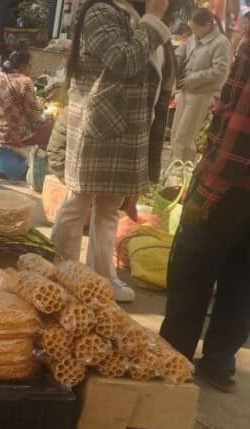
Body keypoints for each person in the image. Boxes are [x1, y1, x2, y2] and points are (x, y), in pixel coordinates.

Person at [50, 0, 173, 304]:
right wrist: (153, 19)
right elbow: (124, 60)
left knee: (108, 210)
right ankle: (60, 272)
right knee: (77, 202)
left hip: (127, 127)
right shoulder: (100, 12)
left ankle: (101, 278)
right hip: (100, 125)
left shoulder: (129, 14)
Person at [159, 38, 250, 392]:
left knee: (191, 269)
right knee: (242, 279)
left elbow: (241, 132)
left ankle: (174, 360)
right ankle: (219, 363)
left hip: (231, 187)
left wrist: (207, 190)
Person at [170, 8, 230, 164]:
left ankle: (180, 170)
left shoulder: (221, 43)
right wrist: (178, 56)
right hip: (185, 91)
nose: (194, 32)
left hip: (201, 94)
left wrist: (194, 79)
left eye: (196, 28)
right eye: (192, 29)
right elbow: (185, 47)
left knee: (185, 135)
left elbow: (220, 71)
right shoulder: (195, 36)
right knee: (175, 133)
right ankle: (173, 168)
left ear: (208, 25)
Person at [0, 50, 53, 148]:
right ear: (22, 66)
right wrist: (40, 105)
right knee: (51, 127)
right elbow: (34, 116)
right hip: (14, 136)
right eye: (29, 66)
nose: (30, 69)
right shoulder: (25, 82)